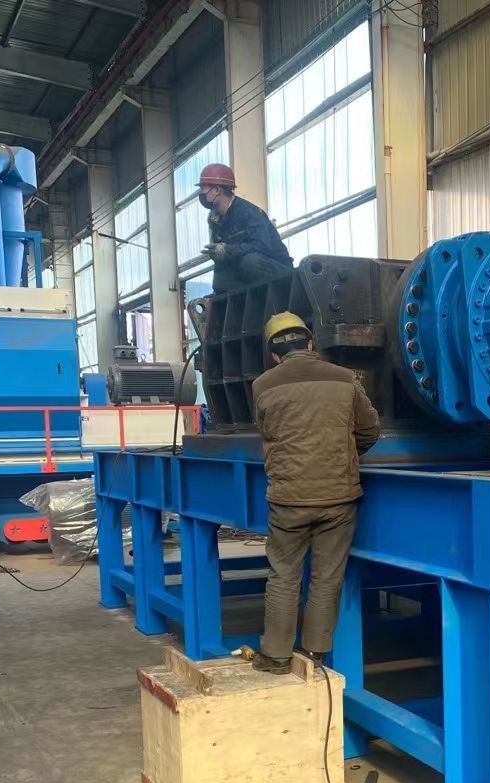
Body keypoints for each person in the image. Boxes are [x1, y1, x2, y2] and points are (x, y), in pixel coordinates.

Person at [251, 311, 380, 674]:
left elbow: (266, 431)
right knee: (326, 577)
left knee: (283, 575)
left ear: (274, 354)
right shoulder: (344, 378)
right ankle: (314, 654)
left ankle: (276, 655)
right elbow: (370, 429)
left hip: (288, 498)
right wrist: (345, 456)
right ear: (310, 343)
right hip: (338, 497)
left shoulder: (262, 385)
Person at [197, 164, 294, 294]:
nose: (201, 193)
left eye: (203, 188)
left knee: (250, 261)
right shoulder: (214, 219)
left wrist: (227, 250)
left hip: (280, 272)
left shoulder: (249, 213)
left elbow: (262, 246)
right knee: (220, 277)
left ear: (216, 190)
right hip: (247, 272)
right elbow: (223, 255)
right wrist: (218, 253)